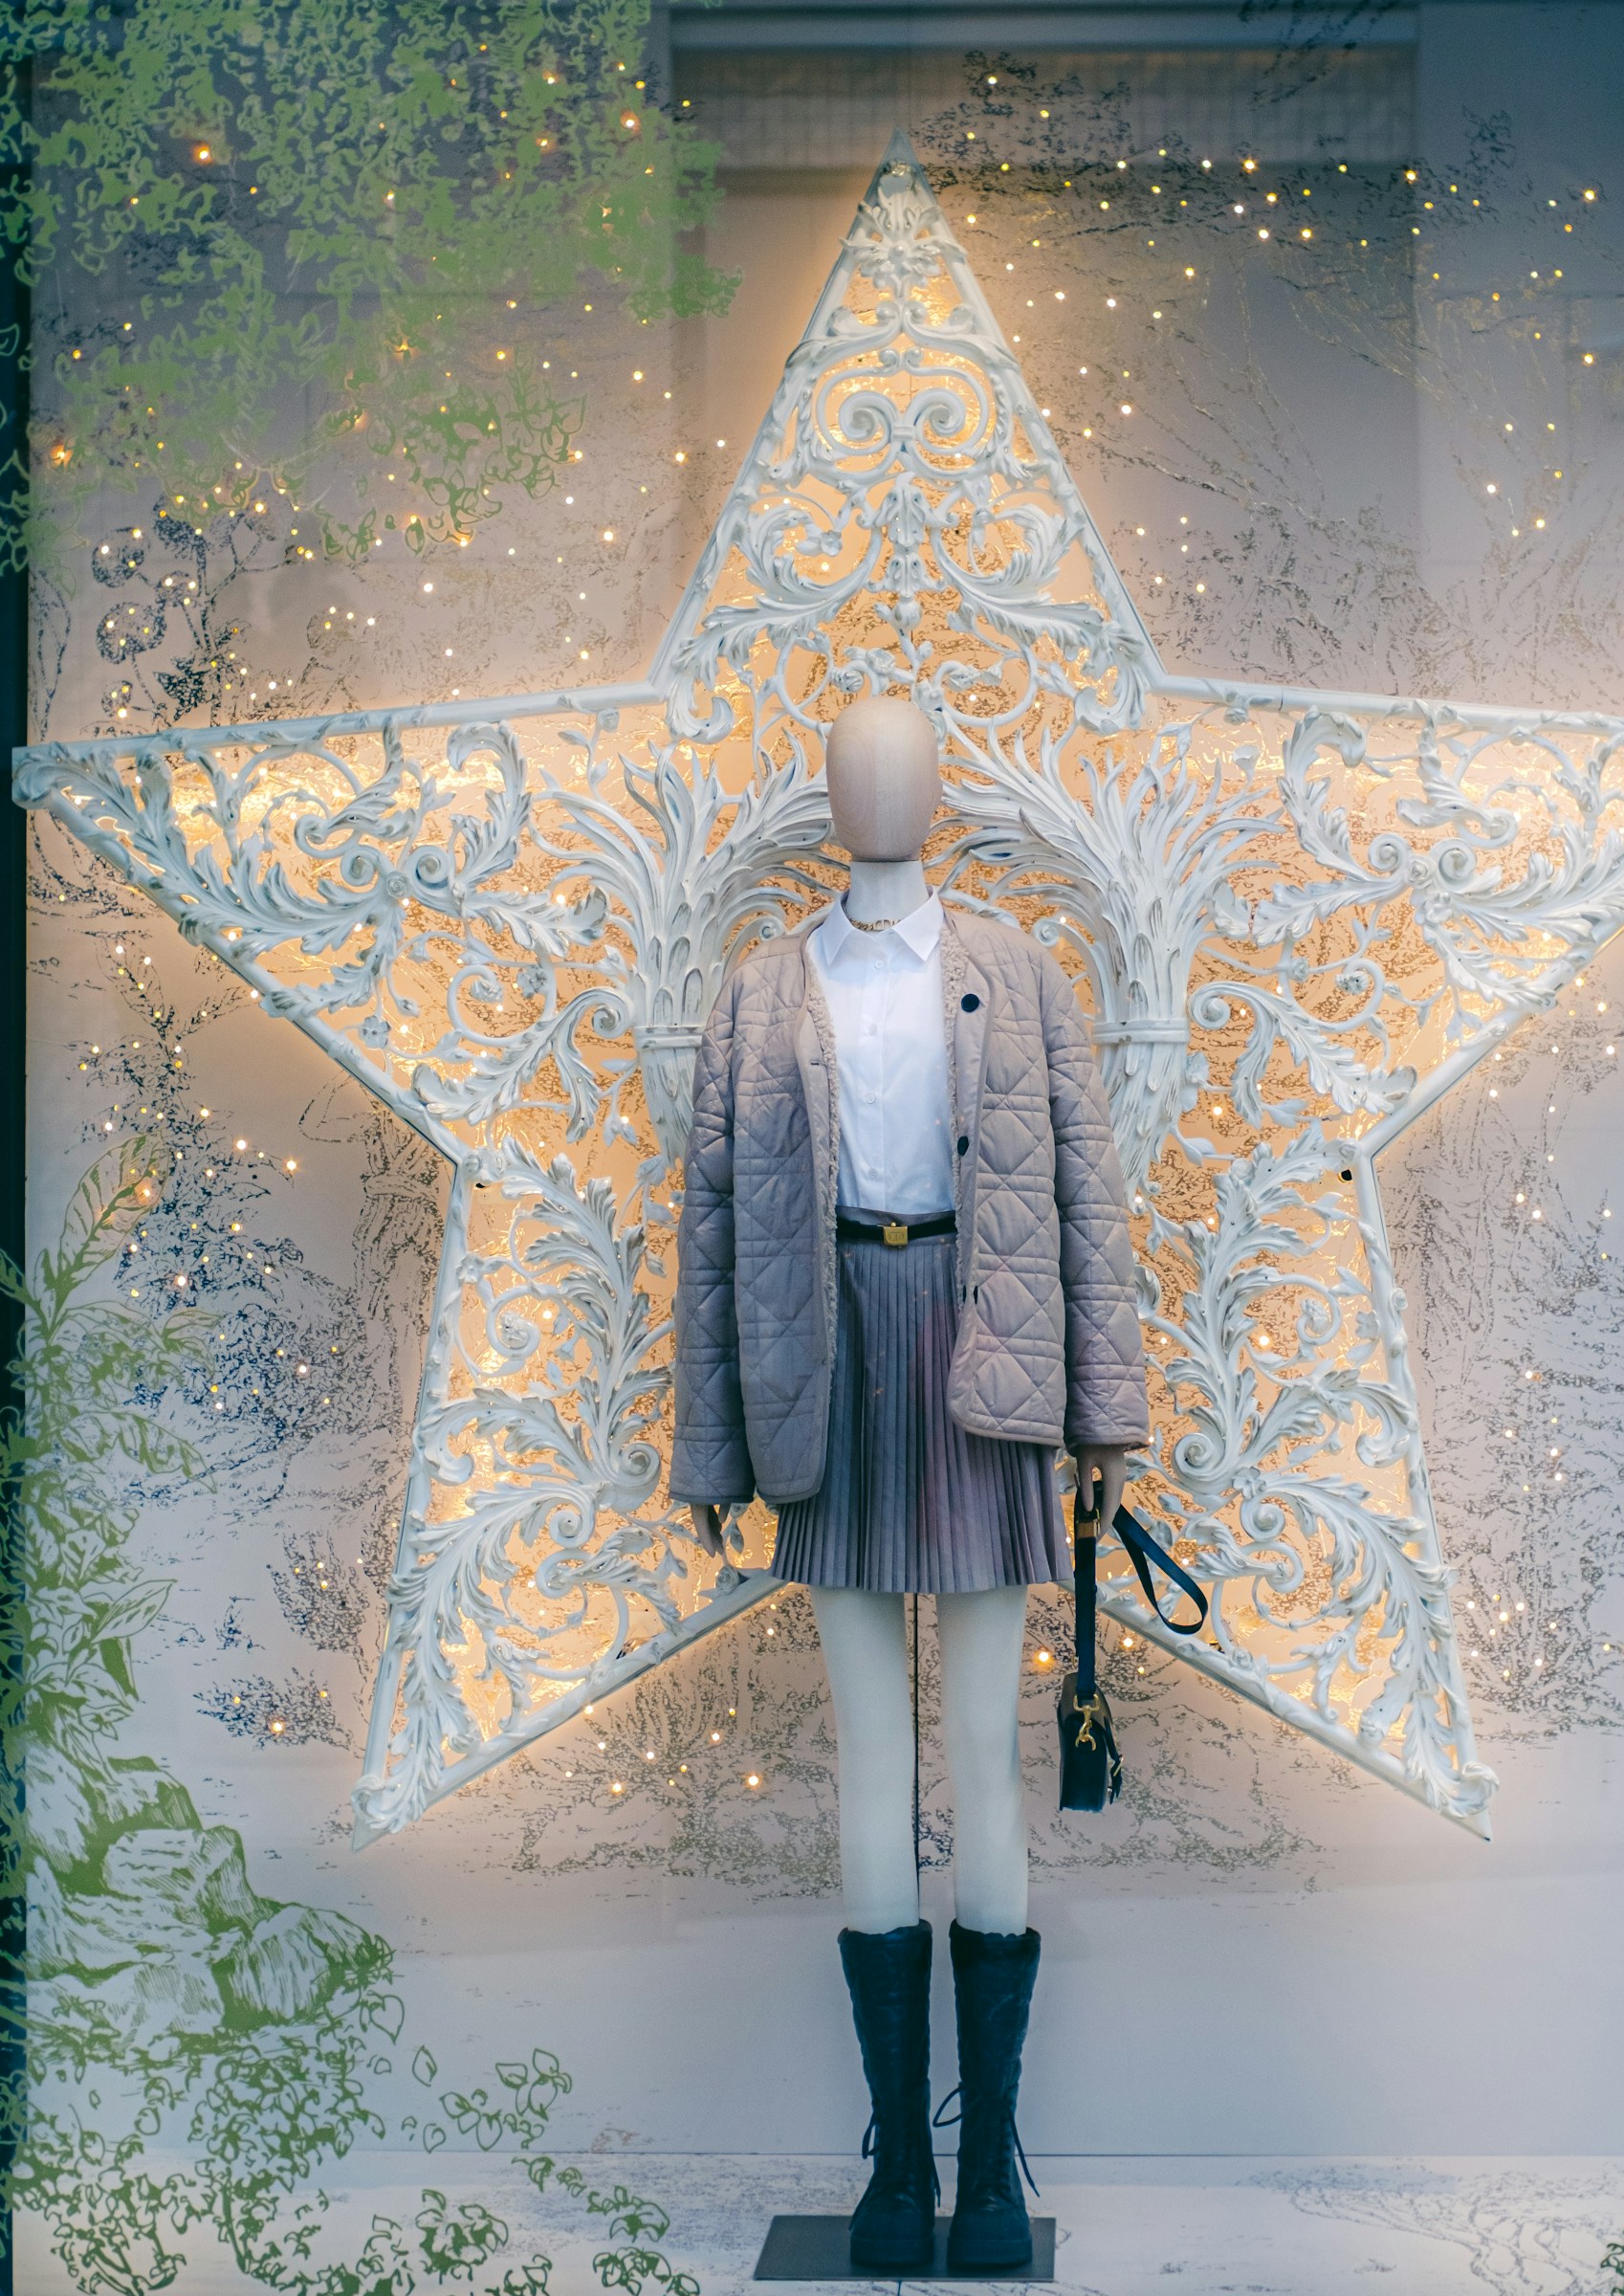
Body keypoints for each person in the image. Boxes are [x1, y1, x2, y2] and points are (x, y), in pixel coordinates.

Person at [669, 695, 1149, 2272]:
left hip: (983, 1352)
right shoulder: (763, 989)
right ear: (829, 793)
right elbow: (716, 1224)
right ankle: (896, 2166)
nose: (879, 786)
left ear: (935, 789)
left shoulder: (1016, 970)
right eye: (854, 764)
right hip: (832, 1358)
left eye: (904, 763)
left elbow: (1086, 1196)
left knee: (985, 1761)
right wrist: (713, 1446)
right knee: (872, 1765)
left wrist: (1104, 1422)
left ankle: (988, 2166)